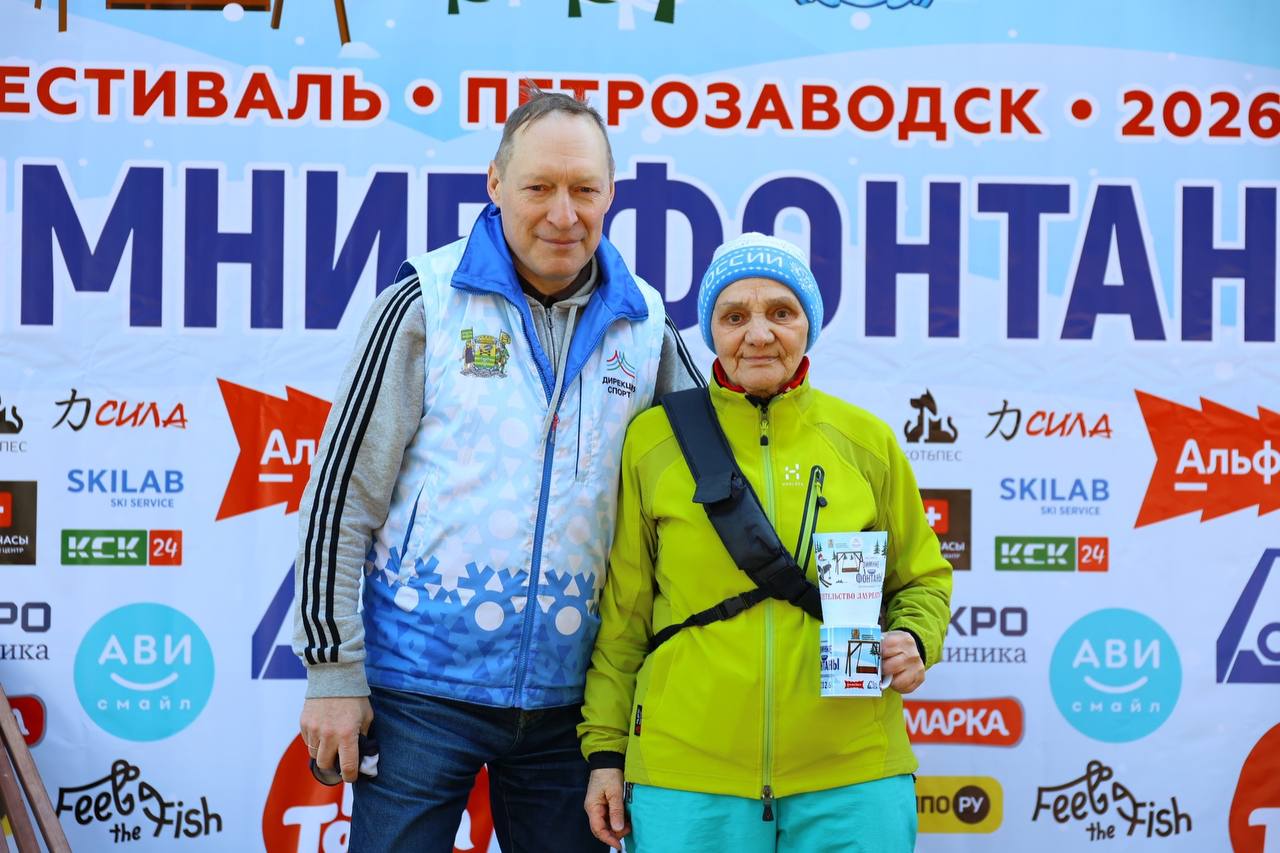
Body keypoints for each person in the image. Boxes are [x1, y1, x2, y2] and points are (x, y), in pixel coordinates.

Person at [293, 88, 701, 851]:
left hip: (575, 706)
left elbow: (707, 494)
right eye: (538, 187)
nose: (563, 214)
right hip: (417, 691)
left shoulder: (647, 325)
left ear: (611, 193)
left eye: (584, 189)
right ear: (494, 183)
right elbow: (341, 498)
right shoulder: (426, 301)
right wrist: (332, 671)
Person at [579, 233, 952, 852]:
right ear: (710, 330)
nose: (758, 335)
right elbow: (623, 619)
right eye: (734, 317)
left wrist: (914, 637)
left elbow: (922, 578)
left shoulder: (866, 442)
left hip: (852, 775)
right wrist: (606, 753)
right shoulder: (654, 442)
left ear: (810, 325)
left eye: (782, 312)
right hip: (687, 778)